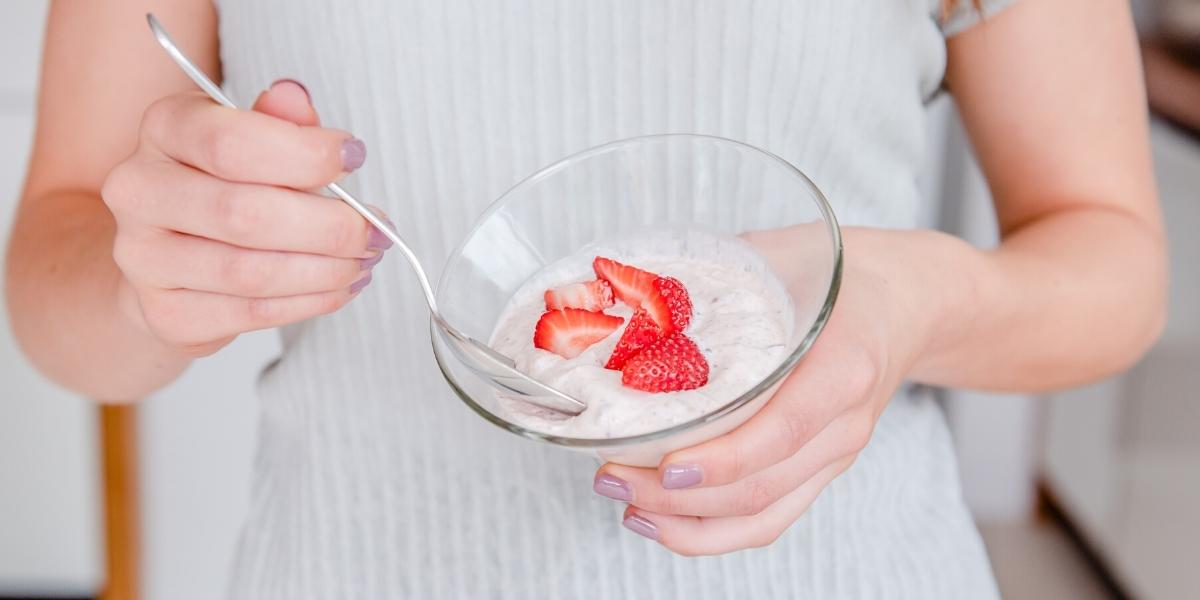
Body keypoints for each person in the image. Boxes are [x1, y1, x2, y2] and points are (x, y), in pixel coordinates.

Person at [5, 0, 1165, 598]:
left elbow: (1114, 264)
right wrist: (143, 282)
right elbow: (55, 286)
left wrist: (916, 292)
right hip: (357, 561)